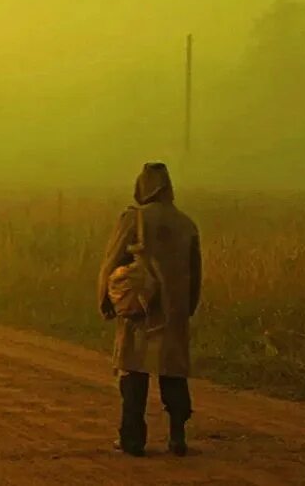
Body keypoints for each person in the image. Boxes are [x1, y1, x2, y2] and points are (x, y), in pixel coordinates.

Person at [98, 162, 202, 457]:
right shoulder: (186, 224)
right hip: (175, 310)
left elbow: (110, 262)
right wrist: (188, 307)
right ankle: (177, 437)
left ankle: (132, 440)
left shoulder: (134, 219)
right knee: (173, 372)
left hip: (139, 311)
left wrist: (104, 301)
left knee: (133, 371)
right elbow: (196, 273)